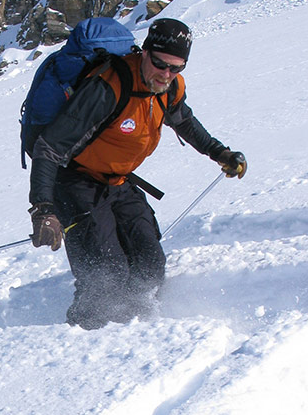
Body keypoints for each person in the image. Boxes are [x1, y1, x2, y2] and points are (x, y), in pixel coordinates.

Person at [27, 18, 247, 330]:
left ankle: (137, 324)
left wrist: (220, 153)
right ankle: (84, 330)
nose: (166, 74)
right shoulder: (108, 88)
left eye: (176, 68)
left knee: (151, 265)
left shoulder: (168, 89)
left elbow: (183, 121)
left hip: (118, 180)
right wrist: (43, 209)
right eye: (160, 64)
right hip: (75, 180)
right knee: (108, 274)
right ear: (144, 53)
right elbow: (48, 147)